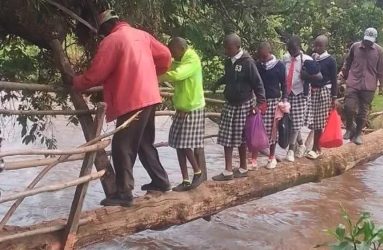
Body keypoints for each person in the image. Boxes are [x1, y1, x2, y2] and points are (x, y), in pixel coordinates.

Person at [70, 10, 172, 207]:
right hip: (149, 96)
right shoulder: (141, 35)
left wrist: (75, 82)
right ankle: (160, 180)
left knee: (121, 146)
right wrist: (152, 73)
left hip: (132, 98)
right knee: (144, 142)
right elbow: (166, 56)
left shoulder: (112, 41)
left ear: (106, 27)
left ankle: (124, 192)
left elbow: (95, 75)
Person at [212, 33, 266, 181]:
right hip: (230, 103)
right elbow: (228, 76)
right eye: (225, 48)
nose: (226, 51)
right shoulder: (228, 62)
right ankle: (228, 171)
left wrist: (260, 104)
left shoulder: (247, 62)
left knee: (242, 137)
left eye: (228, 48)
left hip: (244, 103)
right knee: (225, 136)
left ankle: (243, 168)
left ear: (237, 47)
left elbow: (257, 83)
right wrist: (218, 83)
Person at [159, 37, 206, 192]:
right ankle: (185, 179)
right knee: (177, 143)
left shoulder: (192, 59)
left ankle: (198, 172)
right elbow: (169, 67)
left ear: (181, 48)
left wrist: (156, 77)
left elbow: (177, 74)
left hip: (193, 107)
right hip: (181, 107)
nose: (172, 55)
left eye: (173, 52)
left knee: (184, 144)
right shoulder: (179, 59)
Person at [341, 27, 383, 145]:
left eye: (370, 41)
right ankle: (349, 128)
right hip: (353, 82)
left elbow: (382, 69)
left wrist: (382, 85)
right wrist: (344, 74)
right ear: (363, 37)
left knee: (363, 112)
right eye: (366, 40)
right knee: (348, 107)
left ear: (374, 39)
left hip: (369, 86)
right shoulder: (355, 47)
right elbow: (348, 61)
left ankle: (357, 134)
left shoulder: (379, 51)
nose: (367, 43)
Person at [250, 41, 287, 169]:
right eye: (260, 57)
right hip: (260, 101)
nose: (263, 60)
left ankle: (271, 157)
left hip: (274, 101)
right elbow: (253, 82)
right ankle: (253, 160)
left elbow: (284, 84)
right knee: (256, 129)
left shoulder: (279, 66)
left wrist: (285, 99)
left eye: (264, 57)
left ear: (269, 53)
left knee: (273, 130)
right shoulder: (257, 65)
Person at [305, 35, 338, 159]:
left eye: (320, 46)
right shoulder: (312, 58)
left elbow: (334, 80)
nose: (317, 48)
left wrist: (334, 97)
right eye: (316, 45)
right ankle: (309, 146)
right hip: (311, 92)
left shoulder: (330, 60)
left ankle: (316, 148)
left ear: (325, 46)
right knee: (310, 120)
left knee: (319, 121)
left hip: (324, 92)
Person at [282, 36, 314, 162]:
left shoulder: (307, 60)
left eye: (293, 50)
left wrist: (307, 76)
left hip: (301, 93)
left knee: (296, 121)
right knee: (289, 121)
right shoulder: (285, 58)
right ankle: (301, 144)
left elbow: (316, 76)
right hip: (287, 92)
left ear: (299, 47)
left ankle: (291, 149)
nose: (291, 52)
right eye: (289, 50)